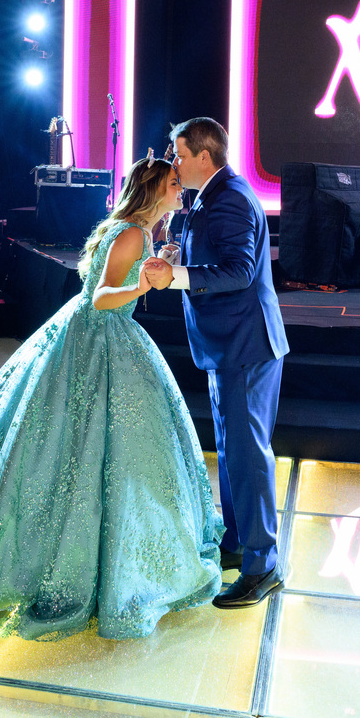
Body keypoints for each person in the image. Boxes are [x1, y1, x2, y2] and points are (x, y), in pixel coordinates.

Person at [0, 153, 223, 643]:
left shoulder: (136, 231)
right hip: (103, 337)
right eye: (174, 184)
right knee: (90, 444)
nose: (181, 191)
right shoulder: (133, 235)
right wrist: (141, 284)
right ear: (156, 190)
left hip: (88, 335)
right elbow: (101, 297)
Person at [143, 117, 289, 610]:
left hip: (245, 347)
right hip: (230, 346)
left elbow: (239, 271)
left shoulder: (229, 198)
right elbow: (217, 252)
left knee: (248, 457)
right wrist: (176, 255)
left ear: (204, 157)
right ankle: (239, 542)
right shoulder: (214, 193)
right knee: (232, 453)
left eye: (180, 154)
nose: (173, 163)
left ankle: (263, 566)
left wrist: (176, 275)